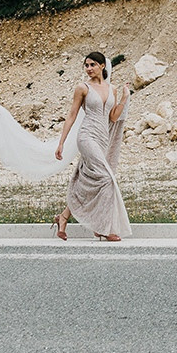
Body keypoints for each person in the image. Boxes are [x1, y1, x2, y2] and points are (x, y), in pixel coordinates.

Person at [52, 51, 132, 242]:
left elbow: (112, 117)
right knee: (106, 178)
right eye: (86, 65)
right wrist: (61, 142)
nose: (88, 69)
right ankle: (102, 227)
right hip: (87, 136)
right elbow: (71, 115)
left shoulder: (111, 88)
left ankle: (63, 218)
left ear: (102, 66)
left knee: (87, 181)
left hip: (103, 138)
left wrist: (124, 98)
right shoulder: (83, 88)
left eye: (92, 65)